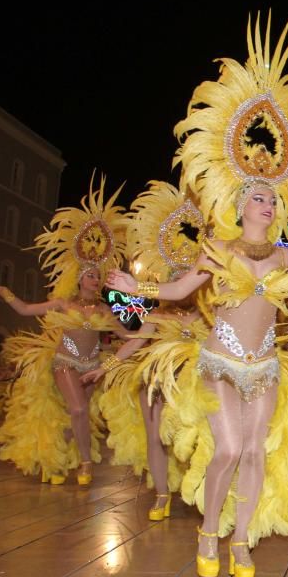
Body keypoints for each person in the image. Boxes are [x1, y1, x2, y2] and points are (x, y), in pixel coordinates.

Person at [108, 16, 288, 577]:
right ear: (243, 203)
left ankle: (241, 542)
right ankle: (209, 532)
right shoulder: (219, 247)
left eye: (273, 199)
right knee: (228, 449)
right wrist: (133, 288)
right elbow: (176, 290)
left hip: (265, 365)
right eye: (260, 197)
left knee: (255, 453)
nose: (268, 204)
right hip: (219, 361)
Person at [83, 181, 208, 520]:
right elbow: (134, 342)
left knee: (203, 437)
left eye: (188, 277)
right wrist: (105, 366)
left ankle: (204, 490)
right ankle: (162, 494)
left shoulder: (211, 315)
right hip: (157, 380)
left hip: (197, 385)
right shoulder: (159, 314)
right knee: (155, 437)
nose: (182, 283)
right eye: (176, 275)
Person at [0, 174, 130, 486]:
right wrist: (4, 291)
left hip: (93, 366)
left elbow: (128, 339)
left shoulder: (104, 311)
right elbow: (25, 310)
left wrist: (157, 332)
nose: (93, 280)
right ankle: (86, 464)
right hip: (65, 362)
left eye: (97, 276)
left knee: (76, 418)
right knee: (78, 408)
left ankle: (58, 461)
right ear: (79, 278)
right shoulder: (62, 304)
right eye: (88, 275)